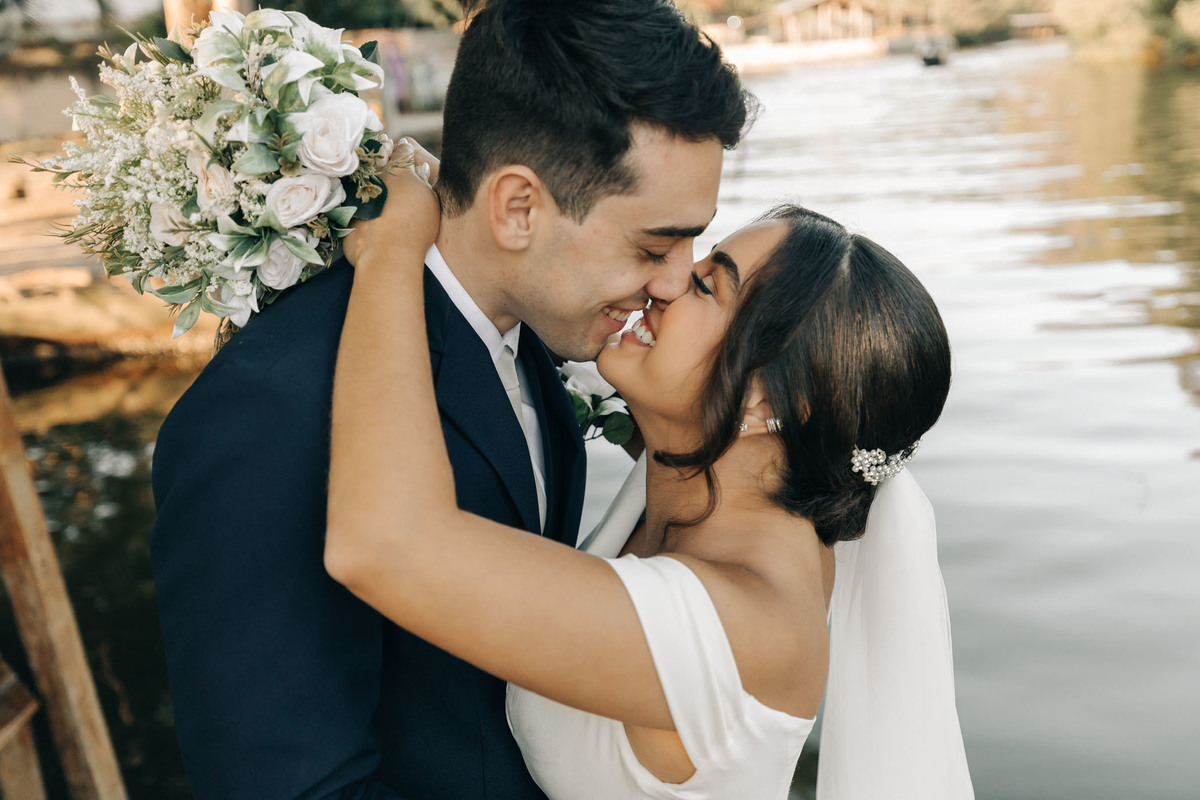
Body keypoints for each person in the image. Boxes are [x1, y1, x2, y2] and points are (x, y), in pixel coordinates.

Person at [149, 1, 751, 797]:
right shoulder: (271, 407)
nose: (676, 282)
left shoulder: (538, 339)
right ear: (518, 208)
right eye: (655, 245)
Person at [327, 155, 976, 798]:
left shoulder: (740, 630)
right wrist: (485, 211)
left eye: (707, 287)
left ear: (766, 404)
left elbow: (380, 546)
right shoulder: (721, 474)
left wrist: (392, 252)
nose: (666, 281)